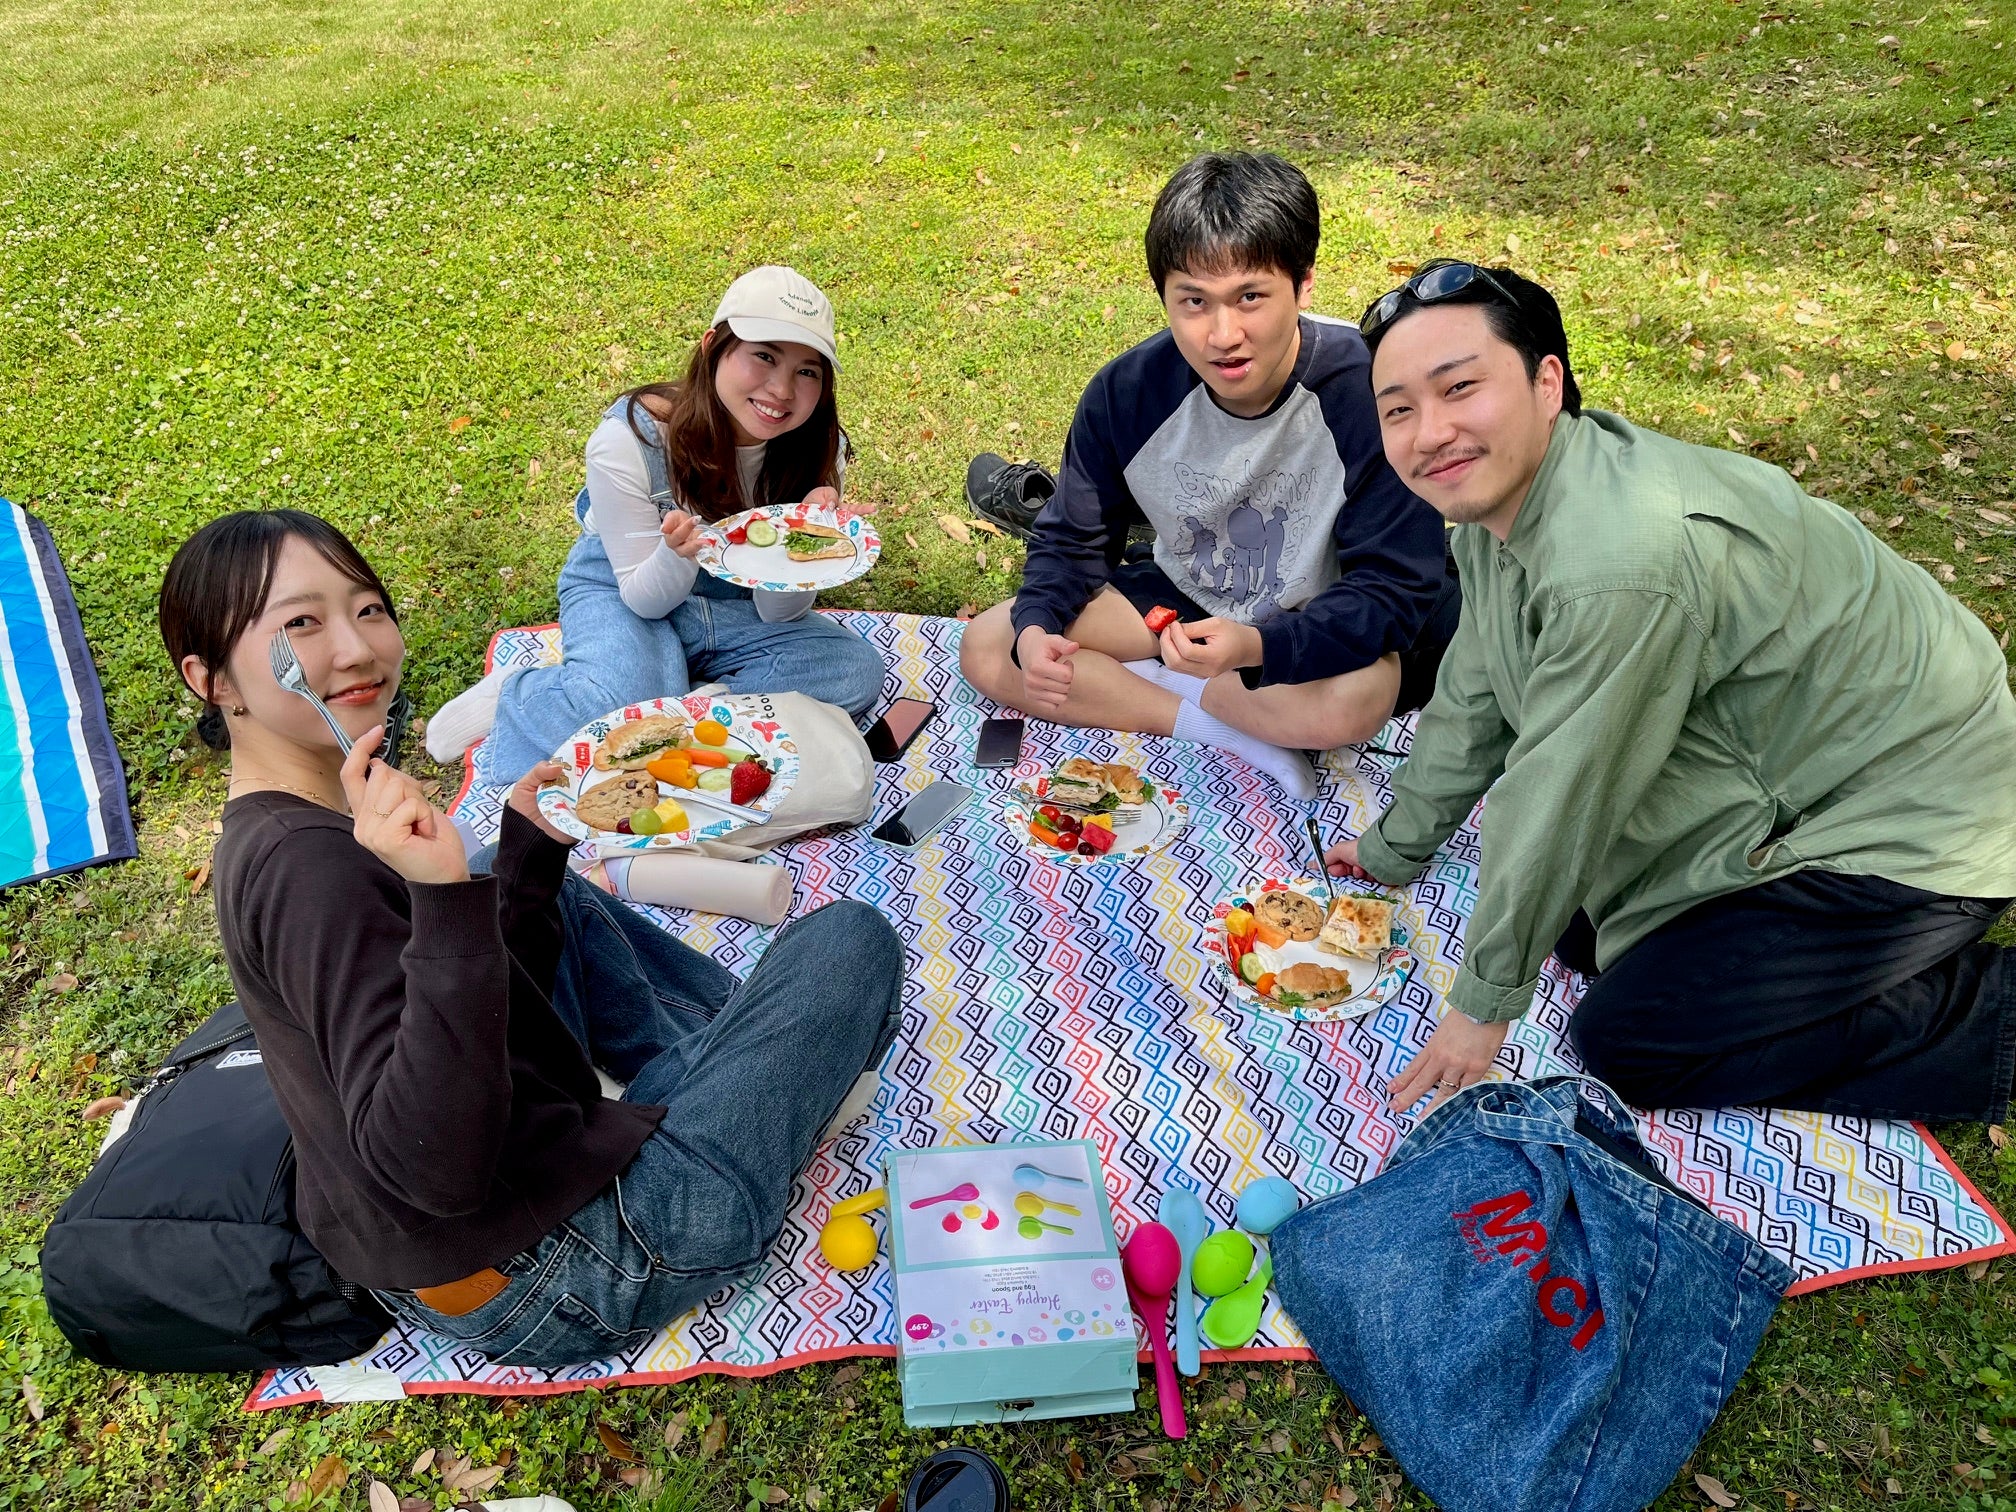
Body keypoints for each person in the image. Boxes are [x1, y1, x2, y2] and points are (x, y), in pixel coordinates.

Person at [162, 509, 902, 1367]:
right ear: (212, 680)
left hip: (500, 1205)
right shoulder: (309, 872)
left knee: (514, 873)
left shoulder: (286, 826)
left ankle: (734, 1073)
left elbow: (430, 1011)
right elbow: (430, 1172)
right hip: (568, 1273)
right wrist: (440, 904)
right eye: (301, 624)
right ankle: (749, 1080)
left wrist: (525, 848)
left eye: (367, 608)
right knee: (851, 940)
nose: (357, 649)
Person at [1326, 259, 2016, 1121]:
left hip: (1916, 818)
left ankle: (1991, 1013)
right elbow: (1475, 688)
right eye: (1399, 409)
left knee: (1635, 1040)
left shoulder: (1617, 561)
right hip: (1791, 771)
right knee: (1582, 934)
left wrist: (1481, 1009)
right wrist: (1395, 847)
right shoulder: (1497, 510)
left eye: (1459, 388)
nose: (1430, 432)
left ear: (1548, 383)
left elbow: (1562, 787)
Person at [958, 153, 1457, 799]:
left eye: (1250, 297)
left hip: (1318, 622)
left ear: (1303, 286)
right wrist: (1039, 626)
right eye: (1194, 302)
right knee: (992, 645)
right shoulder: (1126, 394)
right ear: (1163, 295)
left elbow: (1393, 590)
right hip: (1187, 600)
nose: (1224, 335)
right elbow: (1072, 541)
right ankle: (1215, 724)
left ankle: (1191, 687)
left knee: (1350, 705)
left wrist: (1255, 647)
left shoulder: (1369, 390)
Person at [429, 266, 888, 781]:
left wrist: (798, 548)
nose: (782, 389)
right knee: (620, 703)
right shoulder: (631, 440)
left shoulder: (819, 453)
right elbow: (645, 600)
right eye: (763, 355)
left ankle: (665, 698)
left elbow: (779, 615)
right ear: (713, 347)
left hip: (739, 609)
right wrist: (676, 553)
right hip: (628, 590)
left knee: (853, 672)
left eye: (808, 371)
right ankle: (525, 692)